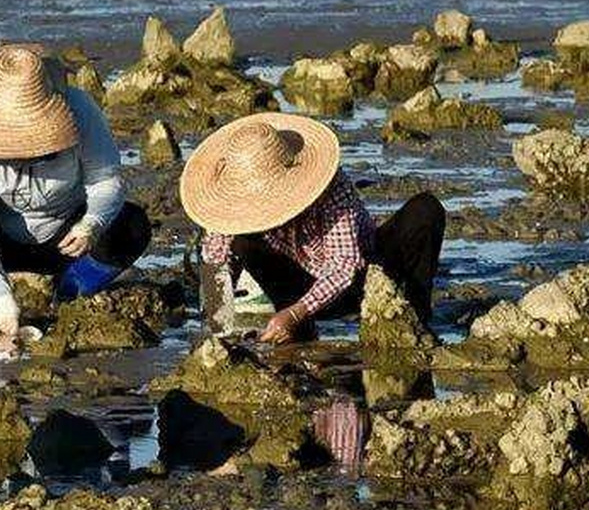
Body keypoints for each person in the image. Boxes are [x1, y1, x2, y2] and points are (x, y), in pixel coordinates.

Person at [0, 44, 151, 339]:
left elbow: (106, 182)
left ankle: (66, 296)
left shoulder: (80, 112)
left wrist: (91, 224)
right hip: (1, 243)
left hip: (68, 243)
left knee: (133, 224)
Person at [180, 112, 445, 344]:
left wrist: (297, 312)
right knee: (243, 243)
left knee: (425, 210)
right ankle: (298, 330)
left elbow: (345, 266)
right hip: (293, 287)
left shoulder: (332, 187)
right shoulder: (231, 206)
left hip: (362, 280)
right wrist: (218, 331)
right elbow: (215, 259)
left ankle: (417, 318)